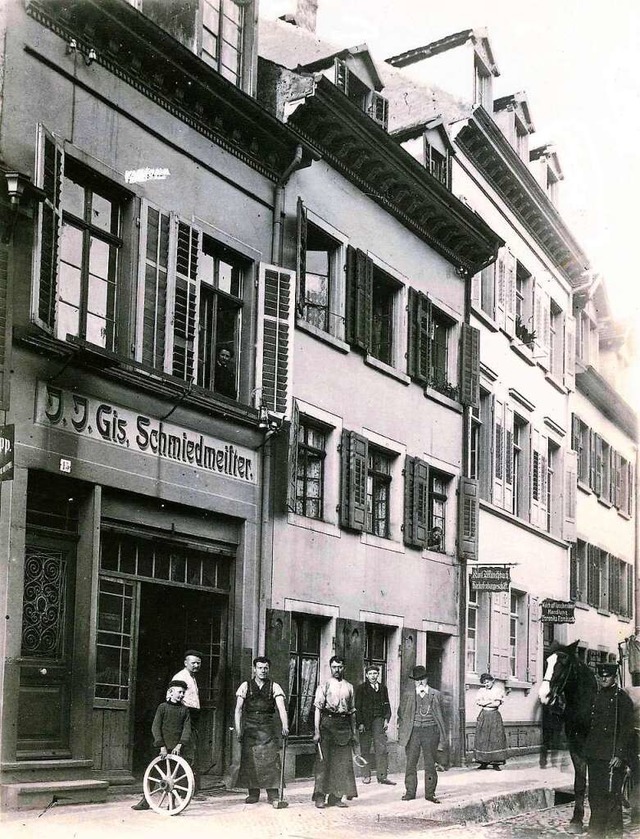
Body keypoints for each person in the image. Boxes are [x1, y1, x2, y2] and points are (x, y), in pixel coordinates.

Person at [585, 661, 635, 838]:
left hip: (613, 757)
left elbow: (627, 730)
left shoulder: (622, 699)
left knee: (612, 798)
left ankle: (614, 833)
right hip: (595, 756)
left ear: (614, 676)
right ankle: (596, 832)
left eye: (607, 675)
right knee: (594, 796)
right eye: (600, 675)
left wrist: (620, 755)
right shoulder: (595, 697)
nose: (603, 678)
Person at [234, 656, 289, 804]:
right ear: (254, 669)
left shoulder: (274, 686)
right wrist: (238, 729)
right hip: (250, 728)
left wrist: (285, 726)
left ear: (268, 669)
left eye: (265, 668)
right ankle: (253, 793)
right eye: (260, 668)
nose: (263, 671)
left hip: (267, 728)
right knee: (250, 761)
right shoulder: (245, 686)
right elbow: (238, 709)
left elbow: (281, 708)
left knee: (271, 760)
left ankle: (273, 794)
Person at [132, 679, 192, 810]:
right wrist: (161, 746)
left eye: (183, 693)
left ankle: (172, 803)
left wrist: (179, 745)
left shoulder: (184, 710)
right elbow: (155, 727)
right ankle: (145, 801)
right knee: (153, 773)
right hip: (162, 748)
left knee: (174, 776)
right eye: (179, 692)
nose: (182, 695)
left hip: (177, 748)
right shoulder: (162, 707)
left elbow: (187, 729)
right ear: (171, 692)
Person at [312, 655, 359, 808]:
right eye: (334, 667)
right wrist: (317, 731)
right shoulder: (324, 685)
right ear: (330, 668)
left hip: (344, 726)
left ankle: (336, 797)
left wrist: (354, 733)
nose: (337, 670)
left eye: (340, 667)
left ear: (343, 667)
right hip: (327, 725)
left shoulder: (349, 687)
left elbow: (352, 712)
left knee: (341, 764)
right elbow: (318, 709)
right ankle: (320, 797)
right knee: (323, 762)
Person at [398, 665, 448, 803]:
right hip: (413, 732)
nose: (419, 682)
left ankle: (430, 794)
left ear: (427, 679)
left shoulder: (435, 694)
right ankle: (410, 792)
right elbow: (401, 714)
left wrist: (439, 734)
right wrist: (404, 729)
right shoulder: (408, 695)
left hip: (430, 731)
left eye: (422, 679)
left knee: (430, 763)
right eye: (416, 680)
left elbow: (443, 715)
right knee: (411, 763)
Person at [355, 665, 395, 786]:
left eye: (375, 673)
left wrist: (386, 719)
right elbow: (357, 707)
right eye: (370, 674)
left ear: (378, 675)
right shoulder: (361, 688)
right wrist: (360, 723)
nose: (373, 676)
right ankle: (366, 775)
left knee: (381, 749)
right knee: (365, 748)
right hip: (365, 722)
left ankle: (382, 776)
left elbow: (387, 705)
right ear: (366, 675)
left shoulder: (383, 688)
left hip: (379, 720)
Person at [172, 649, 203, 796]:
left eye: (198, 663)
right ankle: (183, 788)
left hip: (194, 715)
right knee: (187, 750)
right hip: (185, 714)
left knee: (193, 750)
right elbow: (176, 698)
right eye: (193, 663)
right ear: (186, 663)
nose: (196, 665)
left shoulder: (193, 677)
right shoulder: (181, 677)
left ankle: (192, 788)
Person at [474, 673, 507, 770]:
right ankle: (483, 762)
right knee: (483, 738)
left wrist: (485, 702)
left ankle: (496, 763)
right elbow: (478, 702)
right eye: (484, 683)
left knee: (495, 737)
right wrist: (490, 701)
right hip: (484, 715)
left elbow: (496, 703)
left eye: (488, 682)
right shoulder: (481, 691)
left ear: (492, 681)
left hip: (494, 716)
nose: (486, 684)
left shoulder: (498, 691)